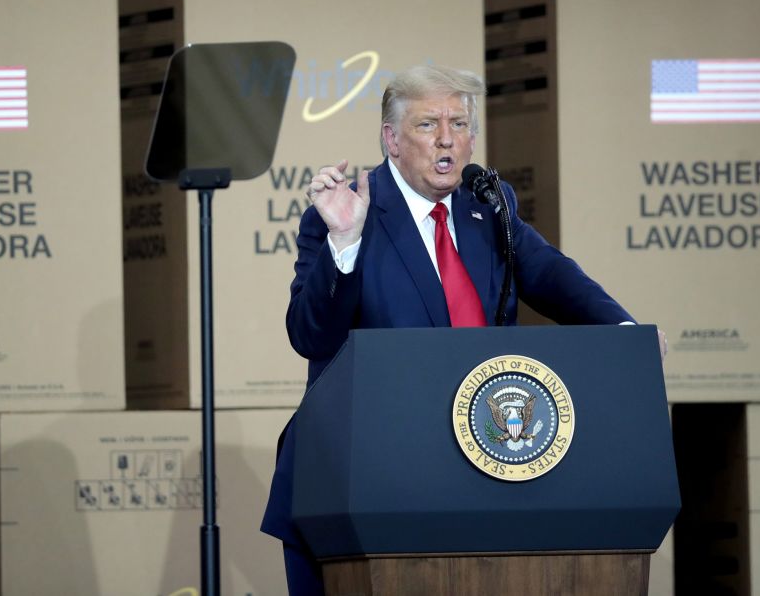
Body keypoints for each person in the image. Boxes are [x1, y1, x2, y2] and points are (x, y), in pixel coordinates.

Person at [260, 65, 664, 595]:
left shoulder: (488, 207)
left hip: (476, 475)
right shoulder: (346, 212)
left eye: (460, 123)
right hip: (361, 481)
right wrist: (346, 242)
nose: (448, 138)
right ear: (391, 139)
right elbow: (310, 337)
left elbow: (549, 273)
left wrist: (624, 331)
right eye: (429, 125)